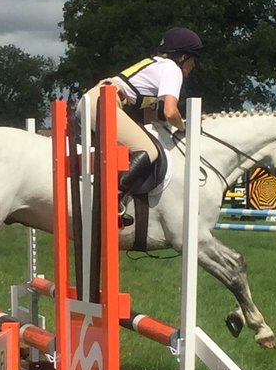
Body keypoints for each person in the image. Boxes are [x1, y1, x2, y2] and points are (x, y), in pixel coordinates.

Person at [85, 27, 203, 223]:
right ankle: (112, 201)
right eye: (194, 58)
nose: (194, 65)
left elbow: (151, 119)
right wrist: (184, 128)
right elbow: (170, 111)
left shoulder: (156, 66)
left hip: (98, 99)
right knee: (148, 150)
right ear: (183, 57)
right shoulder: (172, 69)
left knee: (145, 145)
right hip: (104, 102)